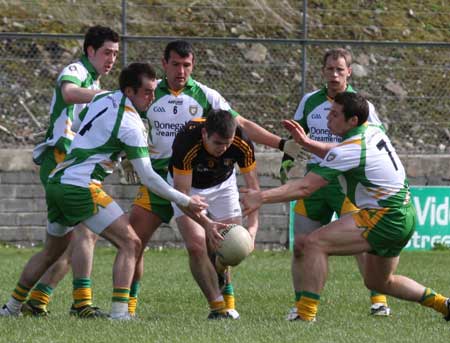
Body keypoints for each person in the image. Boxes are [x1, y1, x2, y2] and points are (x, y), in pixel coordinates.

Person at [0, 62, 207, 320]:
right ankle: (120, 314)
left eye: (154, 91)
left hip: (58, 181)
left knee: (51, 252)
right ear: (129, 91)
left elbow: (77, 123)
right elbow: (150, 179)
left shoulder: (105, 97)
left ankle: (10, 308)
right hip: (81, 186)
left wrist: (114, 152)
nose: (152, 98)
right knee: (131, 242)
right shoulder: (131, 124)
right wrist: (185, 200)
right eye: (147, 92)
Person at [241, 91, 450, 322]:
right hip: (405, 214)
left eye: (335, 114)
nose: (328, 118)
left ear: (353, 121)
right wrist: (307, 143)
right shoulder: (372, 130)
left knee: (313, 243)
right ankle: (444, 304)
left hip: (385, 216)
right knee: (379, 282)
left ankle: (305, 314)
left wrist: (260, 197)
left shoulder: (350, 149)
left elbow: (305, 188)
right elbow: (338, 154)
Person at [127, 40, 283, 317]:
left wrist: (282, 144)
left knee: (223, 244)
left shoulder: (207, 96)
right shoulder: (149, 94)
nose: (181, 71)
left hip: (201, 179)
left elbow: (241, 125)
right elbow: (124, 123)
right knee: (134, 242)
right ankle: (126, 308)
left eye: (187, 65)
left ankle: (224, 306)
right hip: (158, 179)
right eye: (176, 64)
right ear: (164, 64)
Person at [11, 25, 120, 318]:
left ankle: (33, 301)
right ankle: (81, 304)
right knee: (85, 231)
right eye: (106, 53)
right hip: (60, 162)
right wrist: (109, 95)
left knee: (66, 244)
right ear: (90, 51)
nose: (111, 59)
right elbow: (69, 93)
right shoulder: (76, 71)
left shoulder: (95, 81)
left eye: (115, 54)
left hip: (73, 166)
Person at [280, 48, 391, 318]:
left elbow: (378, 138)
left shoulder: (360, 105)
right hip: (315, 181)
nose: (334, 74)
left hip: (347, 184)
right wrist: (286, 163)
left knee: (361, 245)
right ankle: (300, 305)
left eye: (340, 69)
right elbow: (298, 135)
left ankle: (378, 299)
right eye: (330, 69)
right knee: (301, 246)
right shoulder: (310, 101)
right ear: (322, 71)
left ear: (349, 72)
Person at [169, 109, 259, 319]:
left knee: (232, 246)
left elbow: (255, 192)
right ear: (204, 134)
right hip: (188, 188)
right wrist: (207, 223)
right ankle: (218, 308)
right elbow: (181, 194)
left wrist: (252, 231)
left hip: (223, 185)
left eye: (227, 143)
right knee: (196, 244)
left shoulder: (241, 140)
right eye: (218, 143)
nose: (224, 148)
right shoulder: (186, 139)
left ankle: (219, 272)